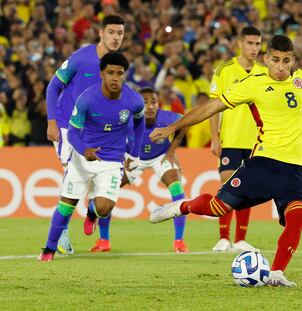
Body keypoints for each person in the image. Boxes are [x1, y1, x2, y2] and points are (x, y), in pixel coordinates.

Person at [149, 35, 302, 287]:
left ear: (293, 60)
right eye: (275, 60)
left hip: (295, 169)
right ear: (266, 59)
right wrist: (174, 125)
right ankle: (181, 207)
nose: (281, 66)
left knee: (297, 218)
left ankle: (277, 273)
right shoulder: (252, 84)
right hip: (263, 163)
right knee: (218, 208)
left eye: (286, 60)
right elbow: (213, 106)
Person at [37, 51, 145, 261]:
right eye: (110, 73)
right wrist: (84, 150)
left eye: (120, 73)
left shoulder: (134, 101)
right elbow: (74, 131)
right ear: (101, 74)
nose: (115, 78)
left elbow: (140, 123)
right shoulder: (86, 98)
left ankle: (92, 212)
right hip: (82, 156)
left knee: (105, 208)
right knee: (66, 203)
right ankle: (48, 250)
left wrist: (136, 152)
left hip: (112, 159)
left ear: (125, 75)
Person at [45, 15, 126, 255]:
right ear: (101, 33)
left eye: (120, 33)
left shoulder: (117, 65)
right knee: (71, 177)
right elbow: (53, 87)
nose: (115, 37)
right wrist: (51, 122)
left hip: (97, 130)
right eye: (111, 32)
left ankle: (92, 210)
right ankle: (63, 235)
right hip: (68, 127)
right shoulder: (81, 58)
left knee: (97, 180)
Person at [84, 87, 189, 253]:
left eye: (153, 102)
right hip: (132, 158)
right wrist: (120, 154)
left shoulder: (166, 117)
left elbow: (184, 123)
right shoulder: (128, 118)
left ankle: (179, 242)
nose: (150, 106)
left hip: (160, 157)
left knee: (178, 192)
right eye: (145, 102)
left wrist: (171, 151)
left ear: (158, 103)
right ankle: (102, 238)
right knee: (106, 194)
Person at [209, 26, 265, 252]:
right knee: (227, 186)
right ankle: (223, 237)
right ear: (240, 44)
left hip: (255, 141)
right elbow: (213, 107)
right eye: (250, 43)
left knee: (247, 189)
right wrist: (215, 137)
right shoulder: (224, 70)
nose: (254, 48)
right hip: (230, 139)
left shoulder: (264, 72)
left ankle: (240, 239)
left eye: (258, 44)